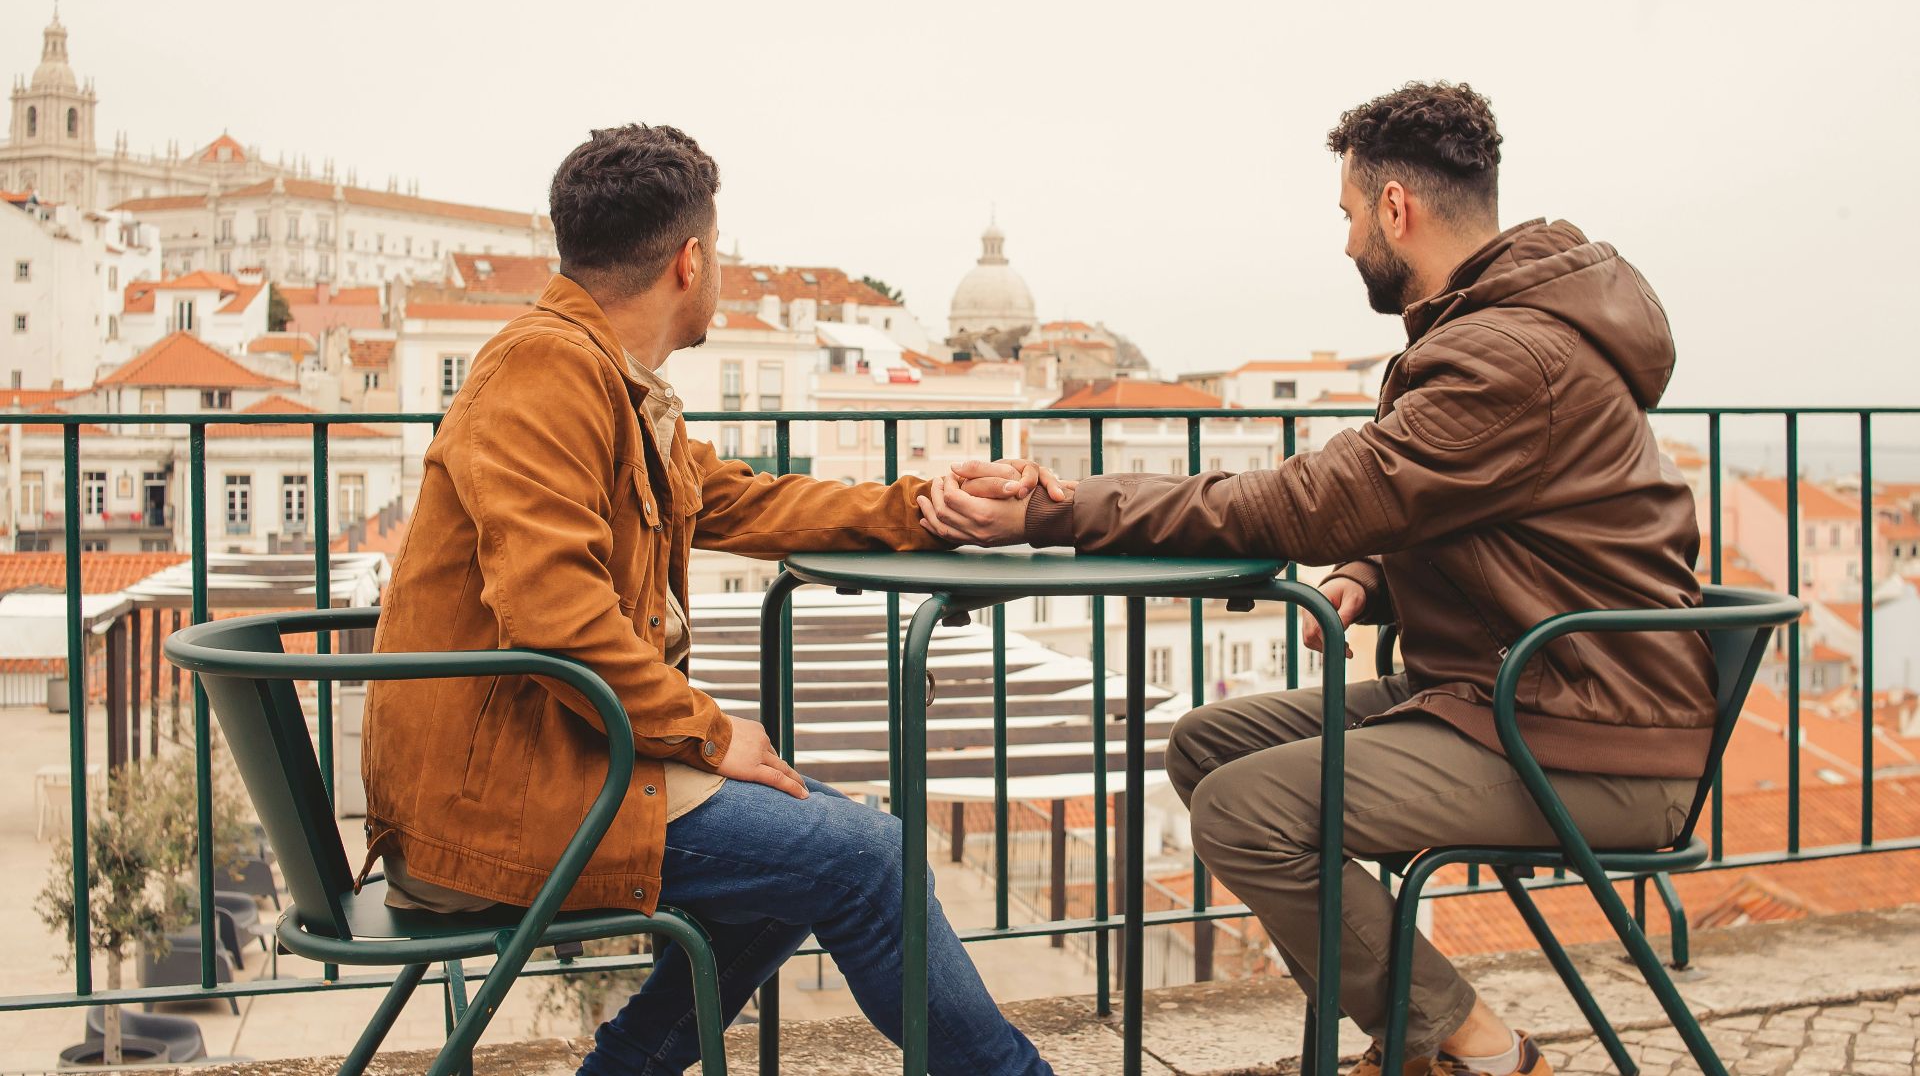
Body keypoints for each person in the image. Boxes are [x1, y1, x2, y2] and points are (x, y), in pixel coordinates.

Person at [920, 81, 1715, 1076]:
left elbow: (1304, 500)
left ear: (1395, 209)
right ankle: (1418, 1034)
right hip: (1517, 692)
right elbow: (1469, 498)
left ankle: (1474, 1049)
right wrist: (1373, 572)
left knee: (1247, 811)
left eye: (1347, 216)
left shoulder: (1502, 352)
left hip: (1587, 736)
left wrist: (1059, 510)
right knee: (1209, 746)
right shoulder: (1507, 330)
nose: (1344, 245)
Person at [363, 123, 1052, 1076]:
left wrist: (920, 508)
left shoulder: (601, 378)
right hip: (503, 807)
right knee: (866, 856)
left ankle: (626, 1068)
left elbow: (743, 498)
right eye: (719, 252)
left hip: (557, 768)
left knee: (809, 856)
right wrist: (709, 730)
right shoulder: (546, 372)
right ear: (691, 260)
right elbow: (553, 607)